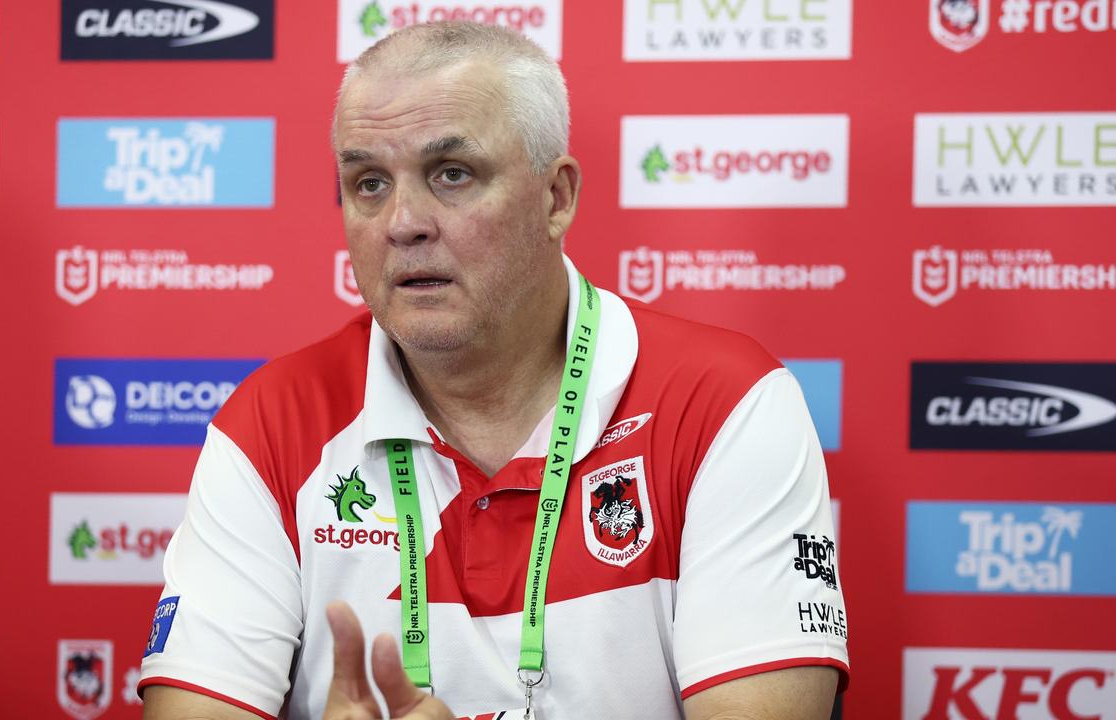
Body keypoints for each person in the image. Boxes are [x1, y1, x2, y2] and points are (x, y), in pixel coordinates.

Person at [139, 21, 848, 720]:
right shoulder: (272, 423)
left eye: (452, 174)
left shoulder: (723, 403)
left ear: (556, 197)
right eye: (369, 183)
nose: (403, 222)